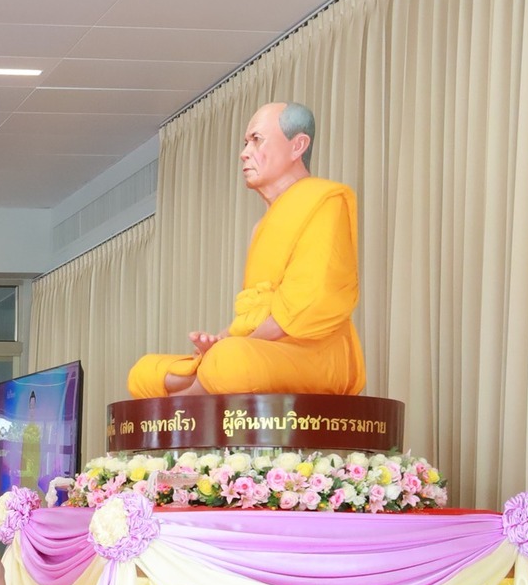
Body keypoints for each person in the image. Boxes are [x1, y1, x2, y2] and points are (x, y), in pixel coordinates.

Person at [127, 102, 364, 398]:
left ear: (297, 146)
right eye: (245, 142)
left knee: (230, 362)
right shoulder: (260, 227)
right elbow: (253, 310)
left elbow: (310, 302)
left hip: (314, 354)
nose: (244, 152)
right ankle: (200, 382)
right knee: (143, 371)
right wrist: (218, 340)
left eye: (256, 140)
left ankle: (187, 398)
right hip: (260, 351)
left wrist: (229, 347)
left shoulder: (326, 201)